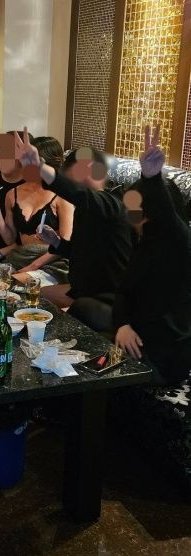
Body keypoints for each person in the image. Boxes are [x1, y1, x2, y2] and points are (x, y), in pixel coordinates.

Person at [111, 126, 191, 386]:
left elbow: (168, 219)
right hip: (134, 334)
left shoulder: (178, 242)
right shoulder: (142, 243)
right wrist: (123, 326)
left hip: (165, 352)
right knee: (83, 310)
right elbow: (124, 292)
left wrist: (152, 177)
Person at [25, 144, 134, 332]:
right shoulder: (85, 208)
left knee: (42, 306)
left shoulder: (111, 204)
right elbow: (78, 251)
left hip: (107, 298)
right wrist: (56, 241)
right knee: (33, 295)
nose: (68, 183)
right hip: (82, 290)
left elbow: (76, 193)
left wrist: (40, 166)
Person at [0, 135, 73, 284]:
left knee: (11, 284)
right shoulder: (13, 194)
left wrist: (32, 266)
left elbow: (65, 244)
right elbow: (10, 239)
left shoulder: (63, 196)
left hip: (53, 261)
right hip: (22, 256)